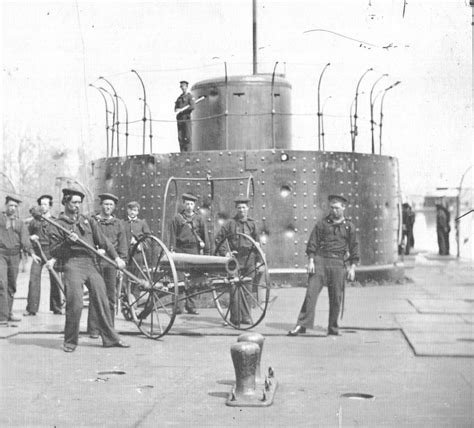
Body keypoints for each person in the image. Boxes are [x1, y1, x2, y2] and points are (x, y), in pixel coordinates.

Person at [49, 188, 130, 352]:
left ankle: (110, 339)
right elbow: (54, 251)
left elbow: (104, 241)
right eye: (74, 202)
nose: (77, 206)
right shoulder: (58, 224)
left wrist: (117, 258)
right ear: (65, 202)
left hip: (91, 263)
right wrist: (67, 243)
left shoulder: (88, 220)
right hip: (73, 264)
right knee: (75, 303)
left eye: (79, 202)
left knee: (102, 299)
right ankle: (70, 341)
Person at [288, 195, 359, 337]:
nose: (334, 211)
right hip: (320, 261)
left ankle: (332, 328)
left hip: (338, 263)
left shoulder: (349, 227)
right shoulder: (322, 224)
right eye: (332, 207)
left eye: (337, 208)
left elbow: (354, 247)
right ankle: (301, 325)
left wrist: (352, 267)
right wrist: (311, 261)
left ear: (344, 208)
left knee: (336, 297)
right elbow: (312, 243)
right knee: (310, 294)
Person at [214, 197, 262, 325]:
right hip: (235, 260)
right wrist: (226, 253)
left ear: (248, 209)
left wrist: (258, 260)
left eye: (244, 207)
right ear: (236, 209)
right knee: (234, 288)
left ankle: (246, 317)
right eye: (239, 207)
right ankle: (235, 318)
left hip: (249, 259)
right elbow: (218, 239)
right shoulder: (230, 223)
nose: (241, 210)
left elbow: (258, 243)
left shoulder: (253, 224)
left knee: (247, 289)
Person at [87, 193, 128, 338]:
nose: (108, 207)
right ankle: (93, 329)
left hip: (112, 263)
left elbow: (123, 245)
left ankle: (110, 328)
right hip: (95, 262)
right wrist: (96, 249)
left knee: (111, 296)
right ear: (101, 205)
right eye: (105, 204)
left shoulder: (118, 224)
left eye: (111, 205)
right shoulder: (93, 221)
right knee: (95, 294)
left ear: (114, 207)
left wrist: (121, 261)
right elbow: (87, 239)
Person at [0, 196, 41, 325]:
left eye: (15, 206)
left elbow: (25, 240)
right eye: (10, 205)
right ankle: (2, 316)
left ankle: (9, 312)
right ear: (5, 206)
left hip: (15, 256)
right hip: (1, 254)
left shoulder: (20, 223)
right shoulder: (0, 219)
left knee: (11, 285)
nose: (12, 208)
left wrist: (32, 254)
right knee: (2, 283)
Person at [169, 193, 209, 315]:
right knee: (179, 279)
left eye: (191, 204)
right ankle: (178, 307)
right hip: (180, 250)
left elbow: (204, 235)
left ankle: (191, 306)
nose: (189, 206)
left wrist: (206, 252)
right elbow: (173, 235)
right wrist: (172, 250)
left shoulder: (199, 219)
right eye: (187, 204)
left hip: (194, 251)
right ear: (183, 204)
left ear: (194, 205)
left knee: (194, 279)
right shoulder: (177, 218)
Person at [24, 195, 63, 316]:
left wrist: (55, 257)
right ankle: (32, 309)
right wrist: (31, 238)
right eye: (41, 204)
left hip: (52, 253)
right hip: (38, 254)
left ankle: (57, 307)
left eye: (45, 204)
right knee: (34, 279)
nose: (43, 207)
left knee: (55, 280)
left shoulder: (56, 221)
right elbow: (25, 237)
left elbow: (61, 239)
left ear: (50, 206)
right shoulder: (33, 222)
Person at [174, 80, 195, 152]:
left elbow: (192, 106)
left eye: (183, 86)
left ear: (186, 87)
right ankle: (182, 153)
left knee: (187, 137)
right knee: (180, 138)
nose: (182, 88)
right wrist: (178, 110)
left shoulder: (190, 96)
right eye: (181, 87)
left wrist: (183, 110)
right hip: (180, 119)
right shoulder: (179, 98)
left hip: (186, 118)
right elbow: (175, 108)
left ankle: (188, 153)